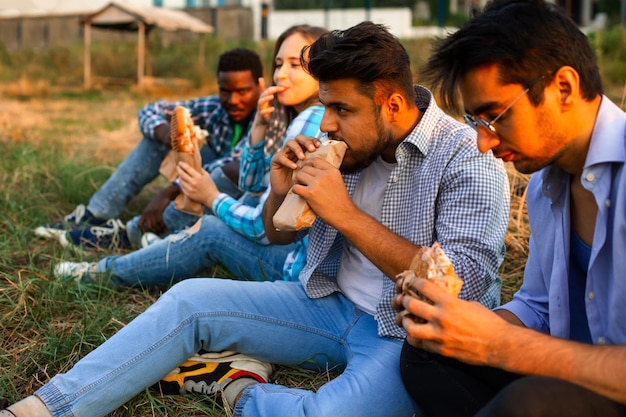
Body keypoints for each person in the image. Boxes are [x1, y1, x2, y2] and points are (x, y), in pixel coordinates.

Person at [2, 22, 510, 417]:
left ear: (392, 103)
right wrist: (279, 190)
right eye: (324, 106)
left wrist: (345, 213)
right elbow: (274, 232)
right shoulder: (346, 149)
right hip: (325, 304)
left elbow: (459, 287)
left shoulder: (468, 159)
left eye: (341, 110)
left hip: (402, 333)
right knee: (189, 300)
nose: (326, 123)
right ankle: (52, 406)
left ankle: (237, 386)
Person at [392, 1, 626, 416]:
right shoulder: (546, 186)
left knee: (528, 403)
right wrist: (456, 322)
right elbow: (537, 306)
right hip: (574, 376)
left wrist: (500, 345)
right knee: (425, 353)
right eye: (474, 121)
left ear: (564, 89)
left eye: (494, 116)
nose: (484, 142)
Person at [53, 24, 328, 288]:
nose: (280, 75)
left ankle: (103, 271)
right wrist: (257, 131)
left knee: (210, 229)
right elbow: (252, 187)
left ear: (322, 68)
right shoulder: (288, 117)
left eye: (295, 64)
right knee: (221, 200)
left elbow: (263, 228)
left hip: (295, 267)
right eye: (279, 64)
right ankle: (128, 230)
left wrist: (211, 197)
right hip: (291, 252)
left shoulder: (310, 120)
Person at [34, 48, 264, 250]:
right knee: (159, 134)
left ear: (260, 86)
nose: (233, 100)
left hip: (231, 198)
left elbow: (235, 165)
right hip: (197, 178)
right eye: (226, 91)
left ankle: (132, 233)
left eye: (242, 91)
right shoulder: (213, 107)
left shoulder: (267, 119)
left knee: (224, 174)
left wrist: (168, 192)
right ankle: (96, 214)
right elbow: (150, 110)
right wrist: (166, 134)